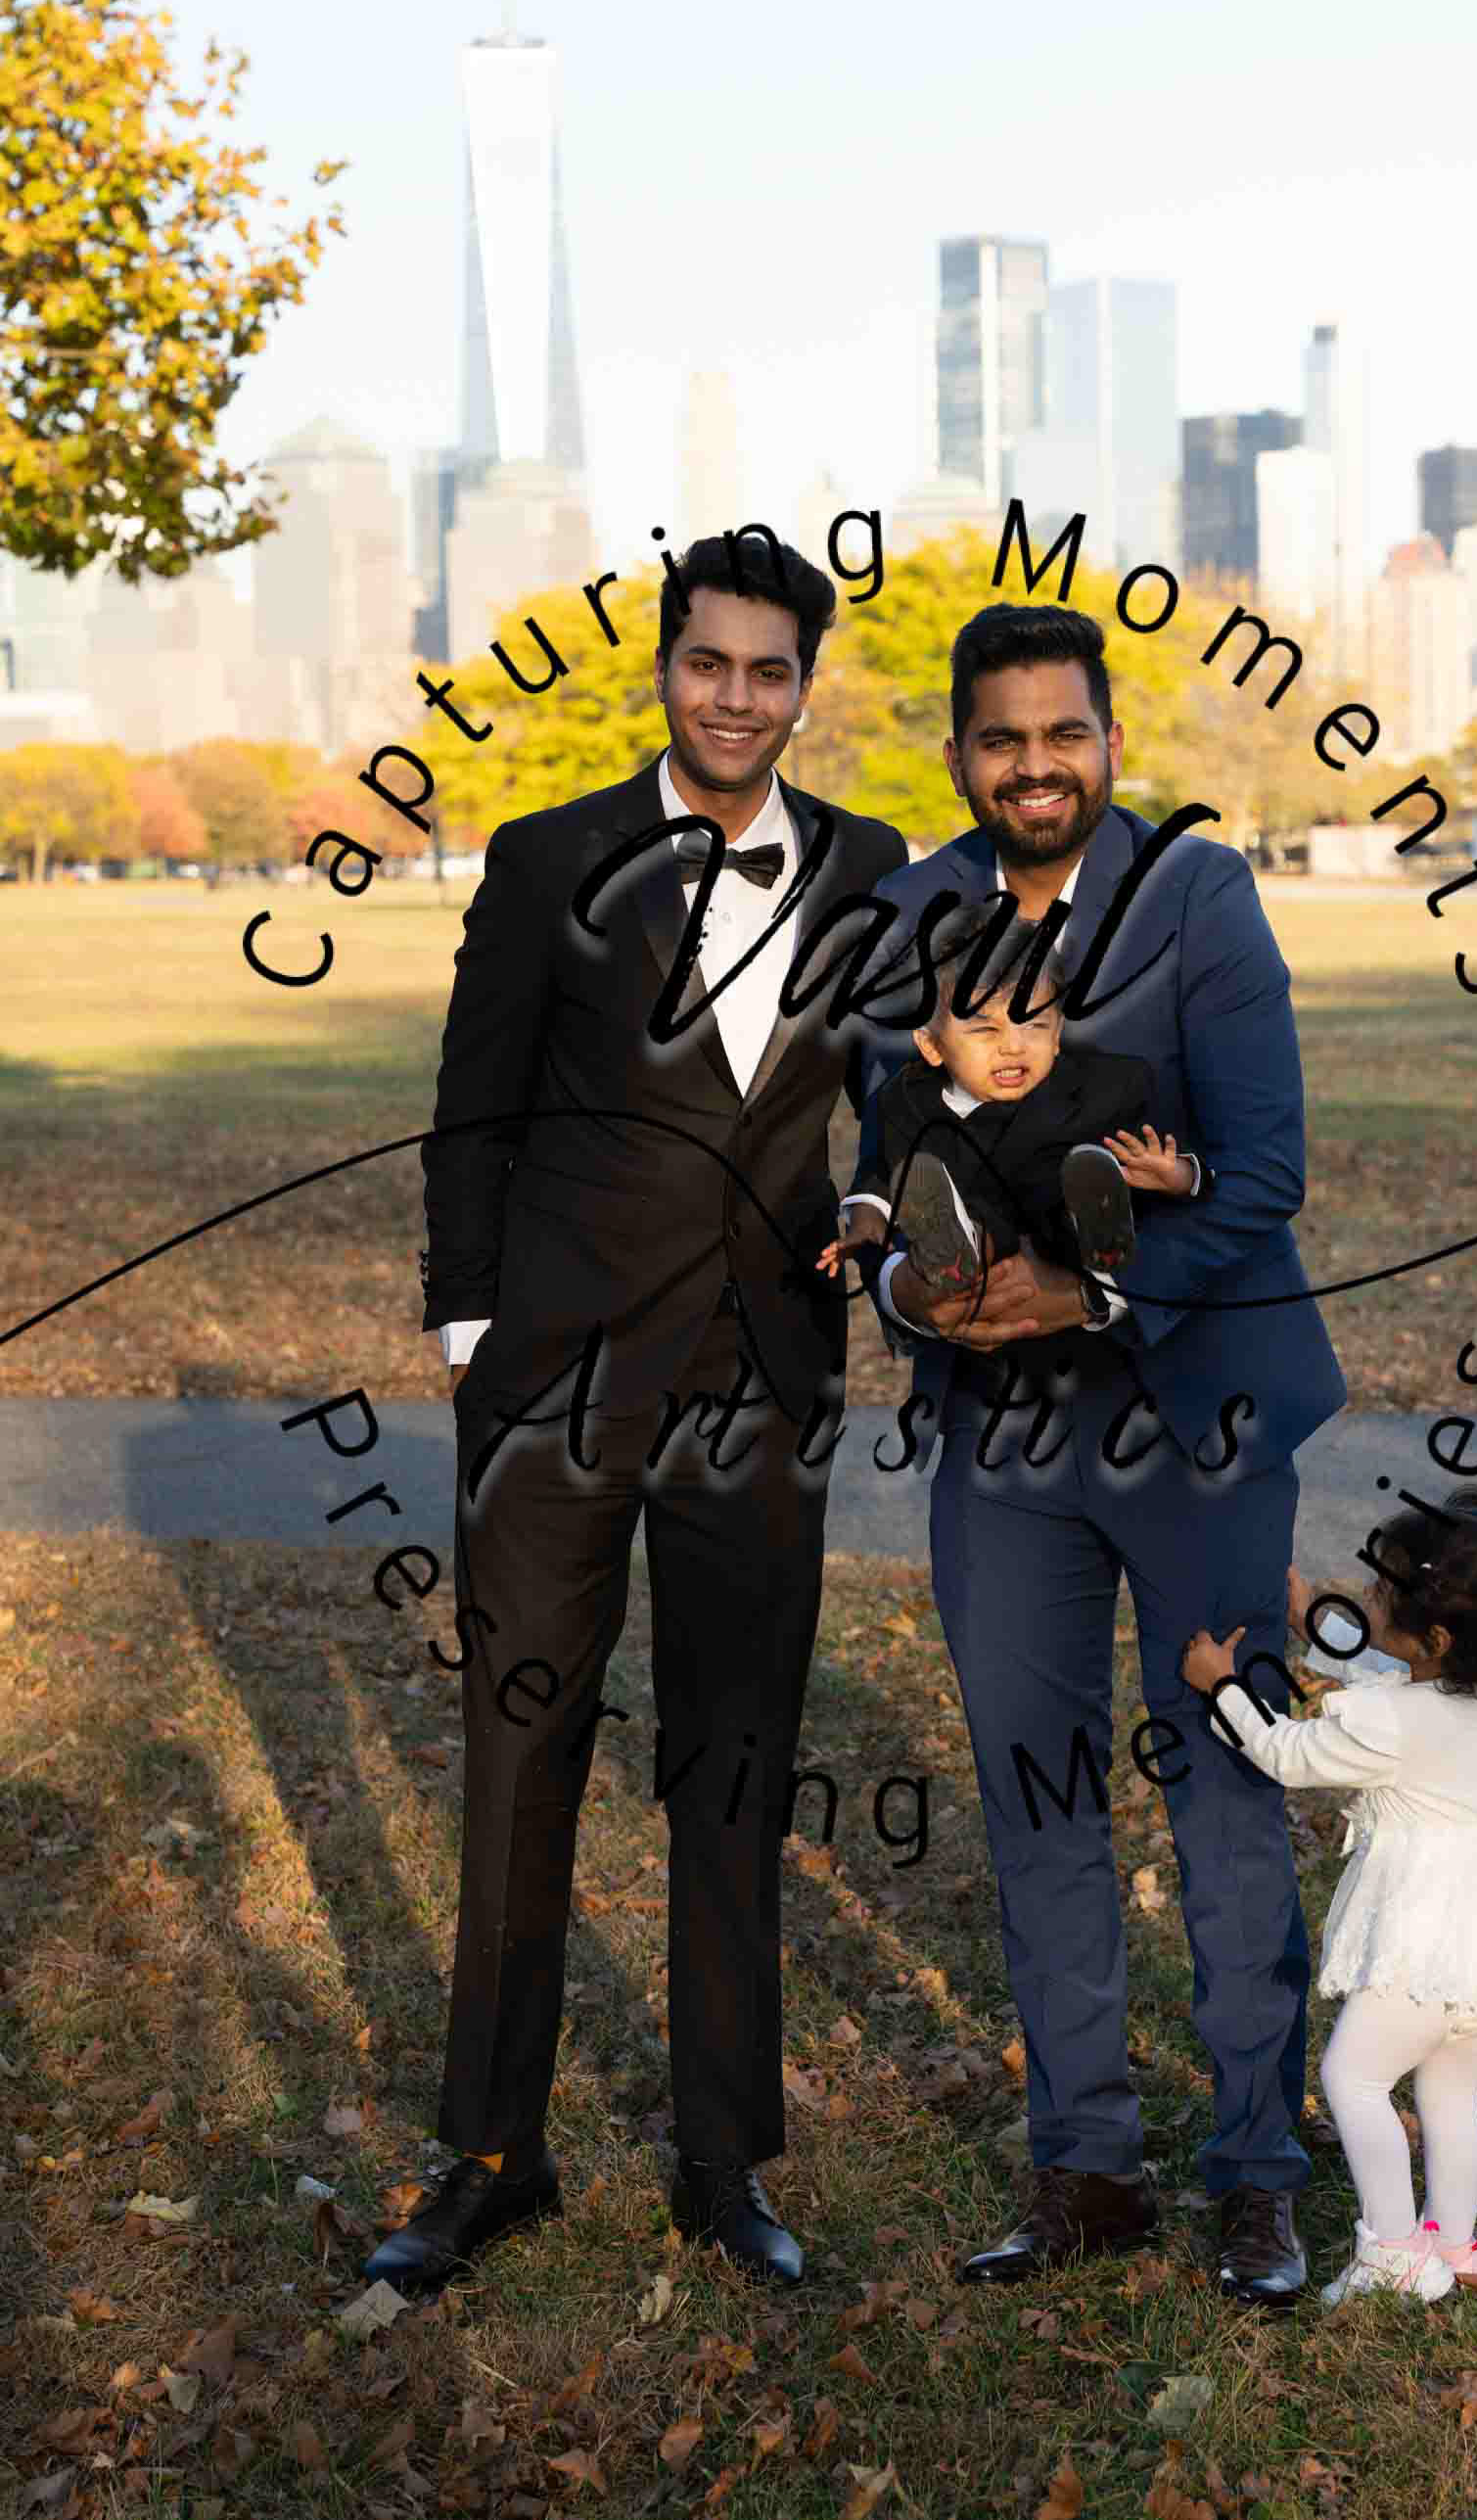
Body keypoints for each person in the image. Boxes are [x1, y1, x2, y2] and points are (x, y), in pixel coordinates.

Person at [362, 531, 905, 2299]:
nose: (735, 697)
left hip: (762, 1376)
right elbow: (472, 1106)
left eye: (768, 670)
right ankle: (491, 2153)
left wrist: (883, 1204)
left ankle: (720, 2154)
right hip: (555, 1385)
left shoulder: (872, 866)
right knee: (520, 1764)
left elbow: (902, 1085)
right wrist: (472, 1333)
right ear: (665, 667)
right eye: (707, 662)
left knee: (731, 1765)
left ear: (803, 686)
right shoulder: (549, 856)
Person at [849, 601, 1348, 2301]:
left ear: (1112, 742)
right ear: (960, 755)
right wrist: (918, 1294)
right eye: (1002, 738)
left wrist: (1089, 1283)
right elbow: (887, 1157)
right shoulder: (906, 916)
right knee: (1038, 1794)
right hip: (1001, 1438)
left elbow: (1263, 1171)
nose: (1035, 764)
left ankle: (1258, 2174)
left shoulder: (1197, 895)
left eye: (1064, 732)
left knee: (1225, 1785)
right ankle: (1086, 2167)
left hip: (1195, 1413)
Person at [1177, 1480, 1477, 2304]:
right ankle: (1455, 2246)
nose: (1364, 1594)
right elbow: (1380, 1669)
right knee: (1449, 2092)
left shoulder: (1387, 1723)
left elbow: (1288, 1755)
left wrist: (1221, 1686)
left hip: (1424, 1935)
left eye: (1378, 1591)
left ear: (1433, 1635)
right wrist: (1311, 1622)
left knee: (1353, 2080)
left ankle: (1393, 2256)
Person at [814, 899, 1213, 1297]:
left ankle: (1100, 1234)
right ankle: (955, 1251)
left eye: (1035, 1025)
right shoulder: (907, 1103)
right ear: (932, 1046)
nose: (1013, 1047)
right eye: (985, 1030)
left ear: (1057, 1035)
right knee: (974, 1221)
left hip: (1065, 1234)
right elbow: (884, 1175)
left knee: (1074, 1194)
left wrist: (1178, 1175)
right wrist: (866, 1222)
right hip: (983, 1238)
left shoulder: (1103, 1088)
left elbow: (1179, 1158)